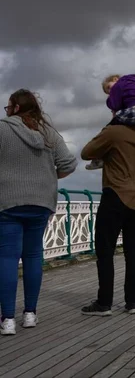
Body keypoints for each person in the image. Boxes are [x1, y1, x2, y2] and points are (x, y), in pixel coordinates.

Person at [0, 89, 77, 335]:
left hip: (8, 203)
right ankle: (30, 314)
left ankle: (8, 319)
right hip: (41, 203)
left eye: (8, 107)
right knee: (33, 256)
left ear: (16, 108)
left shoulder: (2, 129)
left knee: (8, 259)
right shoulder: (48, 133)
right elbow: (68, 164)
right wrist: (45, 178)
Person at [79, 102, 135, 316]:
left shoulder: (114, 132)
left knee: (105, 251)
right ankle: (132, 302)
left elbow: (86, 153)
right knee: (132, 253)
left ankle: (104, 303)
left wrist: (112, 123)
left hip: (116, 196)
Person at [85, 74, 135, 170]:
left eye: (109, 88)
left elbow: (115, 104)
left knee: (111, 126)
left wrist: (111, 104)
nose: (110, 92)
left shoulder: (119, 85)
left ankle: (98, 159)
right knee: (133, 131)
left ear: (115, 79)